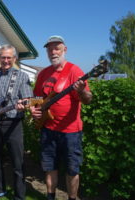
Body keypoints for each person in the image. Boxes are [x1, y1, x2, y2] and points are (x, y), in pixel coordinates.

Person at [30, 35, 92, 200]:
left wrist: (81, 91)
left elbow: (87, 100)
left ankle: (72, 198)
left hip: (70, 132)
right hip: (47, 128)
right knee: (50, 167)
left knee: (72, 169)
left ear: (65, 49)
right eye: (49, 49)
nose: (53, 52)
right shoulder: (43, 73)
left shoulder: (74, 70)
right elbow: (36, 97)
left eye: (56, 48)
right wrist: (33, 110)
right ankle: (50, 197)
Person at [0, 44, 33, 200]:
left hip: (13, 124)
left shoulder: (22, 76)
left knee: (18, 163)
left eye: (9, 57)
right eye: (3, 57)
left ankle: (19, 196)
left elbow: (28, 101)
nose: (6, 60)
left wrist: (22, 106)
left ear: (14, 58)